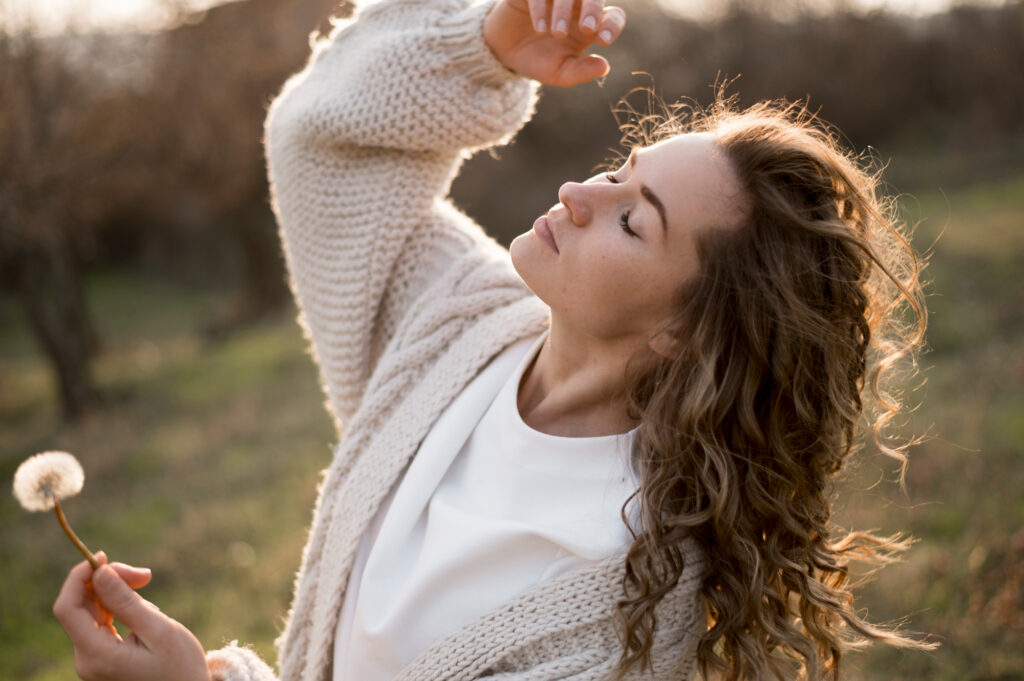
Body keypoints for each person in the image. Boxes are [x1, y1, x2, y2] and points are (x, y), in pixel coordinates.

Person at [53, 0, 930, 679]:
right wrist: (479, 51)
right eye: (621, 170)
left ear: (683, 331)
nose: (580, 192)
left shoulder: (624, 610)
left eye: (633, 221)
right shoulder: (463, 325)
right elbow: (314, 142)